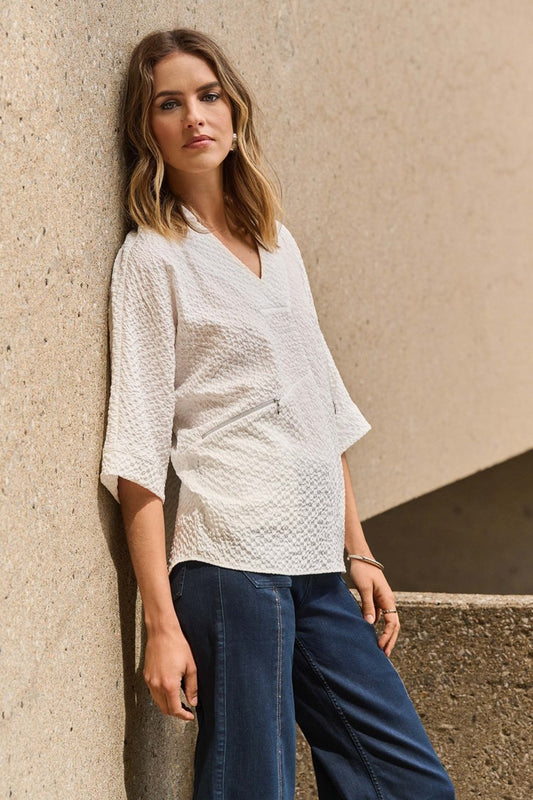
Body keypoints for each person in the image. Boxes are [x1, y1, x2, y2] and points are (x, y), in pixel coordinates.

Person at [100, 27, 455, 800]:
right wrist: (161, 623)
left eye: (208, 95)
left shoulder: (277, 244)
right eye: (170, 103)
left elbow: (318, 405)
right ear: (147, 129)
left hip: (316, 570)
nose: (194, 115)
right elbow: (135, 451)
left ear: (234, 111)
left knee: (406, 784)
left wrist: (356, 549)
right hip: (229, 564)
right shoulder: (155, 257)